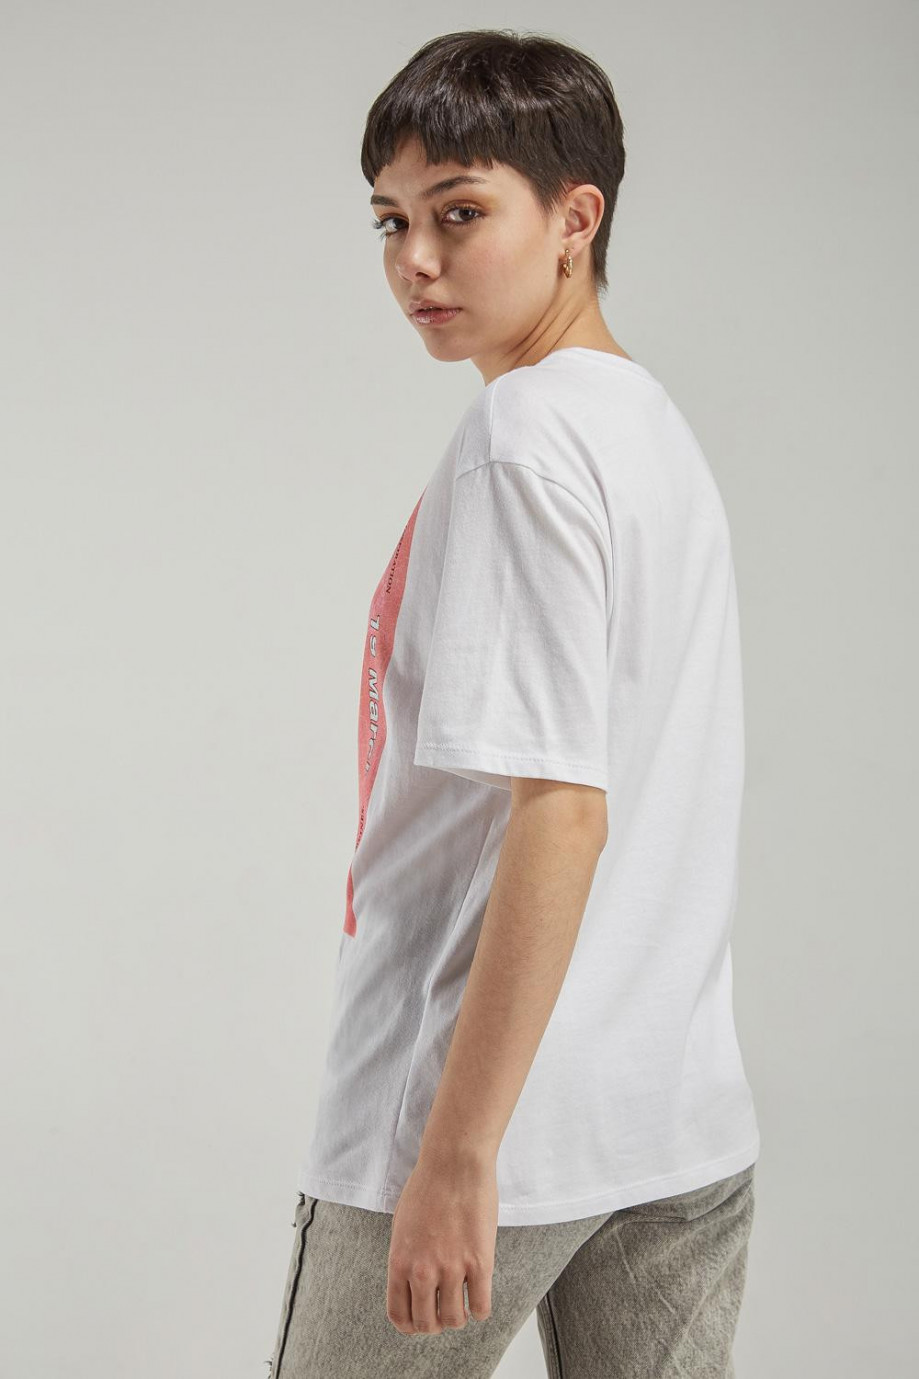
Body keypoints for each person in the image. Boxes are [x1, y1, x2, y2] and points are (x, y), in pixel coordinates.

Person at [266, 27, 760, 1379]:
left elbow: (562, 813)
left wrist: (456, 1154)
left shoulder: (521, 437)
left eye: (461, 213)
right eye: (392, 221)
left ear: (575, 219)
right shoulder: (650, 429)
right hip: (674, 1119)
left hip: (485, 1127)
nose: (415, 262)